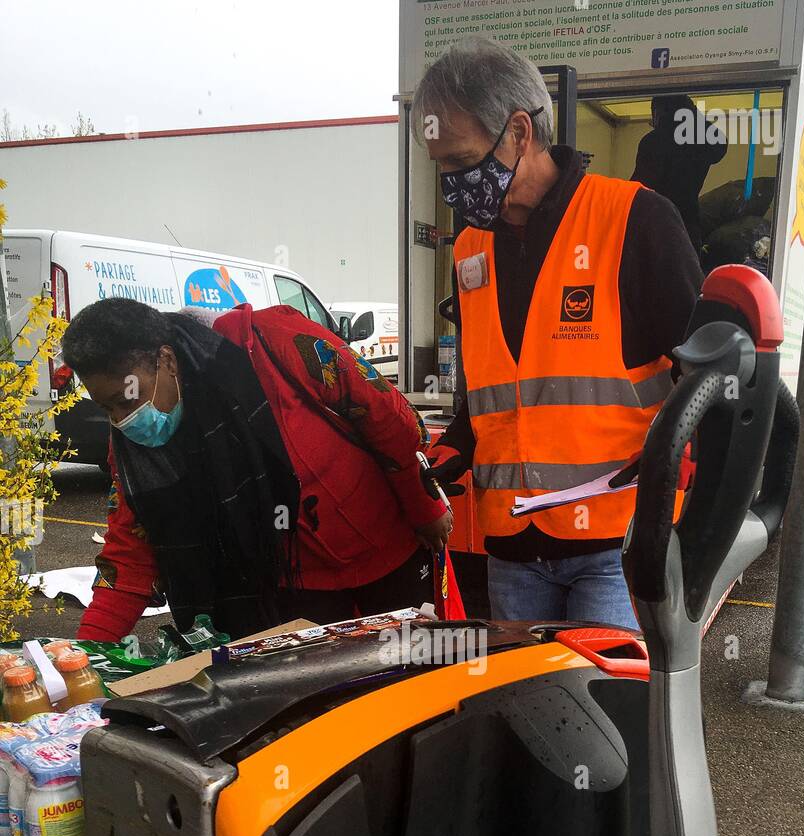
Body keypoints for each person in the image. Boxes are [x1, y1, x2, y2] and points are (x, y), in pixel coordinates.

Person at [414, 39, 703, 627]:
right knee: (526, 716)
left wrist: (689, 528)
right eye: (439, 165)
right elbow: (499, 391)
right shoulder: (470, 250)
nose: (450, 182)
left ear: (520, 131)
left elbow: (704, 389)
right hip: (512, 548)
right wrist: (452, 448)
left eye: (460, 160)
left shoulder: (636, 220)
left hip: (615, 547)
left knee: (600, 713)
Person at [60, 299, 451, 641]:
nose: (122, 420)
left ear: (166, 360)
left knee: (413, 687)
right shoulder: (134, 455)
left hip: (388, 556)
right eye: (107, 408)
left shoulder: (274, 343)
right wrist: (83, 652)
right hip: (290, 590)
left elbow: (389, 418)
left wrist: (424, 505)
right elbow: (128, 555)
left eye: (127, 398)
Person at [632, 95, 728, 255]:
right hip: (688, 225)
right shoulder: (699, 140)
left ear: (658, 112)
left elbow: (640, 188)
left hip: (657, 227)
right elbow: (720, 144)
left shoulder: (654, 141)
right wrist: (692, 113)